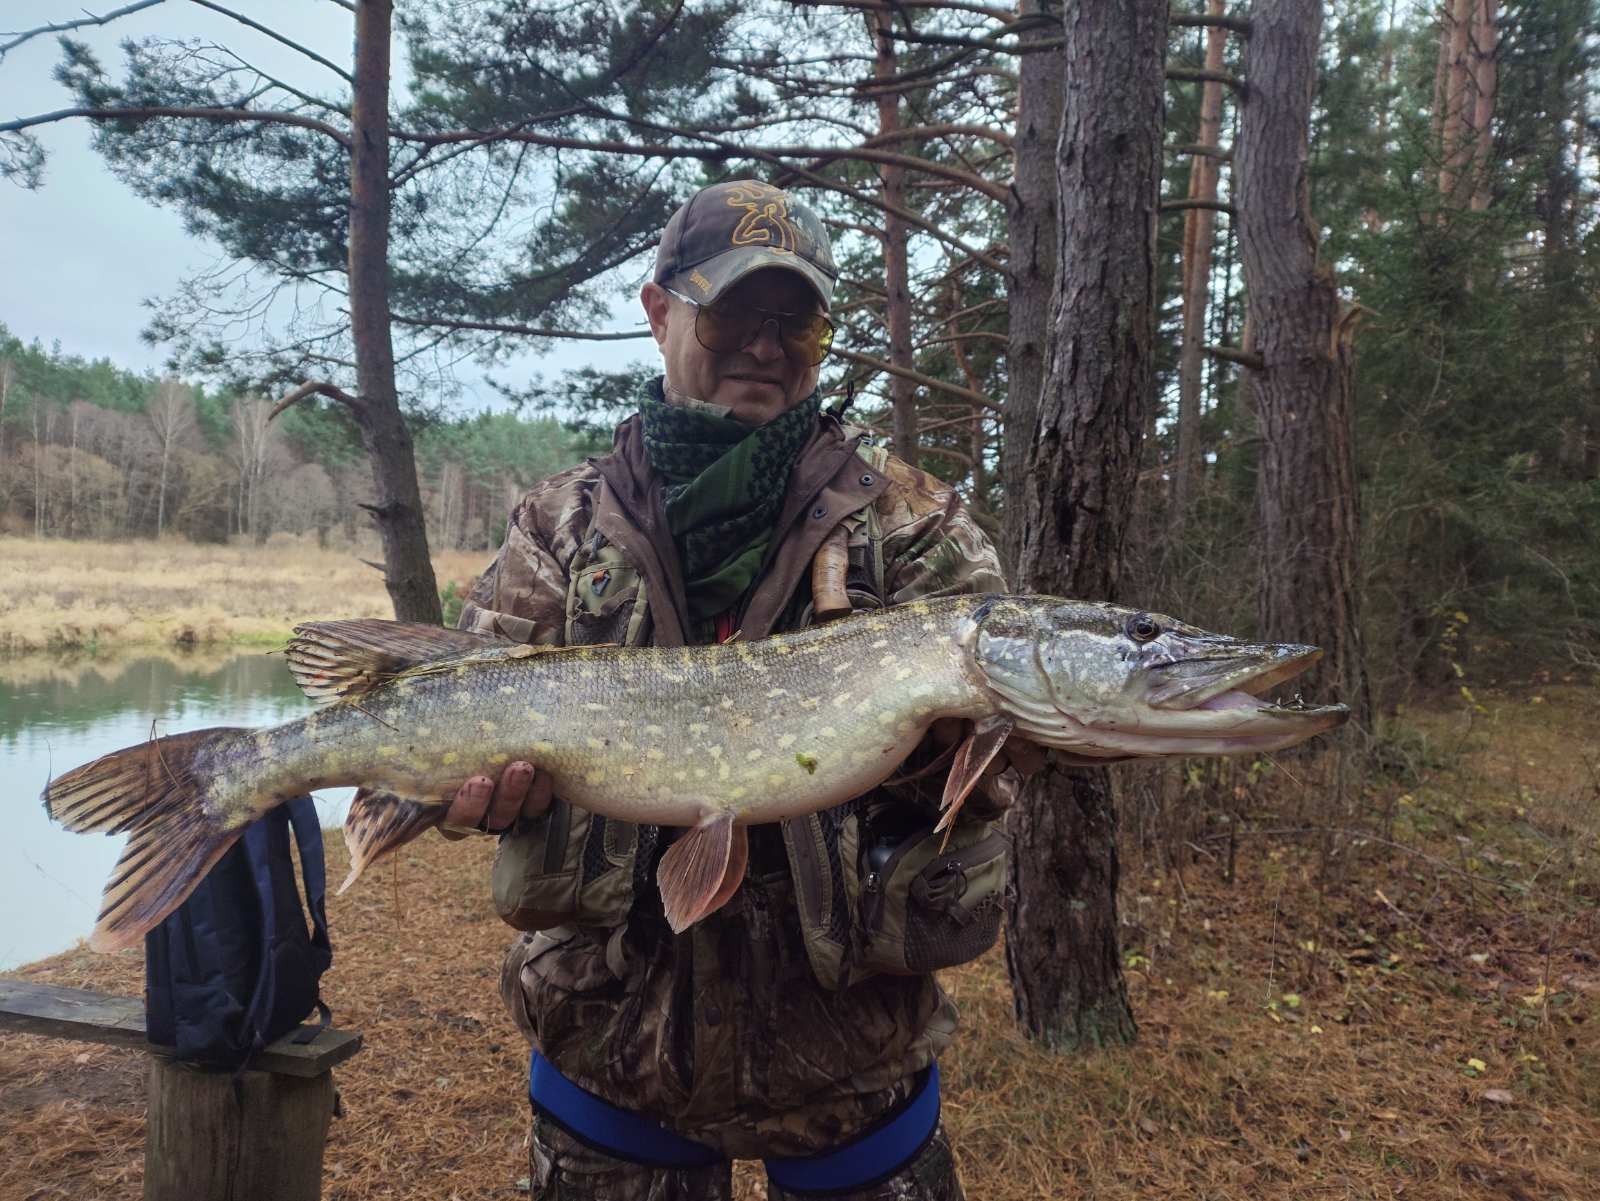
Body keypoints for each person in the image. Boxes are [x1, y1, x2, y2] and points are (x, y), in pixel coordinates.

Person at [439, 179, 1036, 1200]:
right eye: (731, 312)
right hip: (610, 1065)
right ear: (659, 310)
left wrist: (970, 755)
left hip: (854, 1072)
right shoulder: (559, 523)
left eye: (794, 322)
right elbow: (458, 721)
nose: (765, 346)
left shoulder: (914, 523)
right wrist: (467, 795)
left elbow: (991, 784)